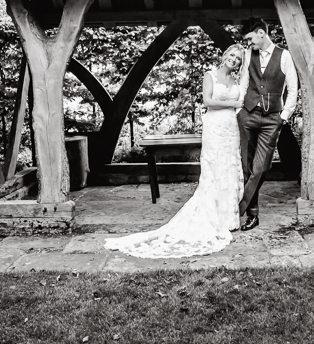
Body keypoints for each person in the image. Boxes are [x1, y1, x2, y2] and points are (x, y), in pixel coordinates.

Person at [104, 44, 246, 258]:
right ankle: (212, 216)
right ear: (225, 55)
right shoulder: (210, 75)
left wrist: (236, 105)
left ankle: (228, 218)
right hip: (215, 127)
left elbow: (241, 103)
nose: (234, 60)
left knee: (230, 166)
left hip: (231, 129)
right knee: (214, 168)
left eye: (238, 58)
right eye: (232, 55)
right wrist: (232, 103)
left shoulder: (237, 81)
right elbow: (208, 101)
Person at [237, 18, 298, 231]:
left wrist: (284, 116)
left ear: (261, 33)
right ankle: (252, 215)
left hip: (273, 118)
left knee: (261, 167)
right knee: (247, 166)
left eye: (250, 39)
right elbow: (244, 83)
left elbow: (293, 88)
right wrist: (239, 111)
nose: (248, 44)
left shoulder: (285, 56)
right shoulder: (247, 55)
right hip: (248, 116)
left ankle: (238, 208)